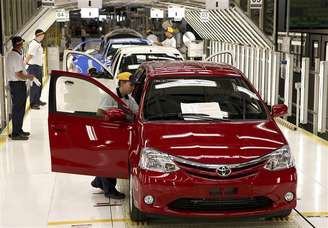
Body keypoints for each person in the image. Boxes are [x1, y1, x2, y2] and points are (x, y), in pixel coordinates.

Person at [91, 72, 139, 199]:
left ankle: (98, 181)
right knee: (111, 161)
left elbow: (137, 112)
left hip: (120, 134)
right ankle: (109, 190)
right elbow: (99, 113)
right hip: (108, 133)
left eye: (134, 85)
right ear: (122, 83)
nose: (133, 88)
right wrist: (112, 115)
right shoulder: (110, 95)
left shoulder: (129, 99)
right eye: (131, 85)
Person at [6, 36, 35, 140]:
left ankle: (18, 130)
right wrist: (29, 77)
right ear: (19, 44)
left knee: (20, 108)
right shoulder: (15, 56)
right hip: (17, 84)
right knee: (18, 109)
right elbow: (18, 74)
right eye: (22, 43)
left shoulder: (14, 54)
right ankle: (15, 133)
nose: (23, 44)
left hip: (17, 84)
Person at [25, 29, 46, 110]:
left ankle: (37, 100)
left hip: (37, 67)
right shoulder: (34, 44)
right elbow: (29, 55)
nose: (43, 36)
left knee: (39, 85)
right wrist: (25, 63)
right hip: (33, 68)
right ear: (38, 35)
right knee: (34, 86)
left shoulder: (38, 44)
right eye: (42, 35)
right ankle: (33, 103)